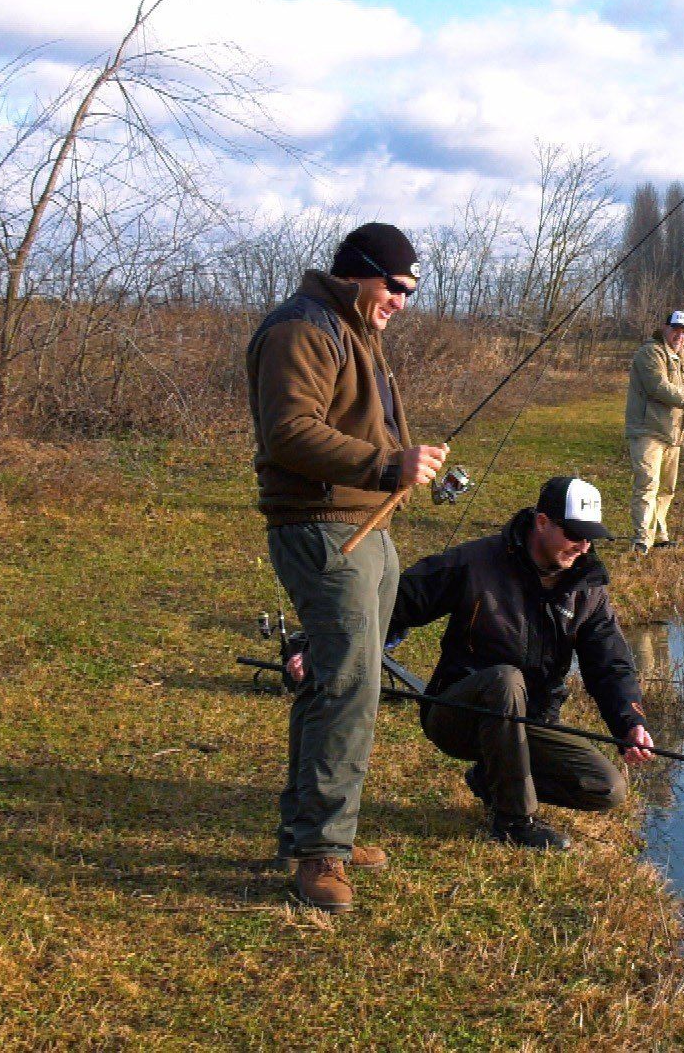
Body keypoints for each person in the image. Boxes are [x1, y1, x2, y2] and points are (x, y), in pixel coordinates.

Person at [245, 221, 448, 913]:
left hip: (366, 526)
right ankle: (320, 854)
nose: (402, 300)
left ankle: (324, 829)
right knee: (349, 685)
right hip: (323, 528)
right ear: (358, 272)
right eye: (395, 286)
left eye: (411, 290)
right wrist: (386, 463)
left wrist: (404, 461)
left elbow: (358, 426)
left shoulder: (355, 331)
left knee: (343, 680)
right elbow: (290, 431)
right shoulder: (303, 329)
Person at [387, 475, 655, 850]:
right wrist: (321, 648)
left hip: (532, 723)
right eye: (574, 533)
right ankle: (514, 821)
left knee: (606, 788)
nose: (583, 546)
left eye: (590, 536)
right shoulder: (475, 562)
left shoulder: (588, 589)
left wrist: (630, 723)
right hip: (457, 716)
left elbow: (610, 665)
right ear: (541, 522)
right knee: (505, 680)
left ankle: (491, 779)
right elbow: (395, 606)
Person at [624, 310, 684, 554]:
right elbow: (657, 386)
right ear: (664, 328)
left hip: (673, 435)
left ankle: (659, 535)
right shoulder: (650, 353)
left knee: (667, 489)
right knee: (648, 484)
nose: (678, 336)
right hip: (648, 431)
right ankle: (641, 540)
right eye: (675, 330)